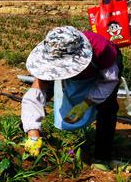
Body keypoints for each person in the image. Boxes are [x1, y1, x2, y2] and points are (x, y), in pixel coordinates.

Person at [21, 26, 122, 170]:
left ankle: (102, 156)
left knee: (107, 108)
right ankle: (31, 137)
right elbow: (35, 95)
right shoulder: (53, 50)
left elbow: (109, 80)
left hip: (102, 70)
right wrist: (32, 132)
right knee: (45, 92)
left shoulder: (102, 50)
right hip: (80, 66)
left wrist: (86, 103)